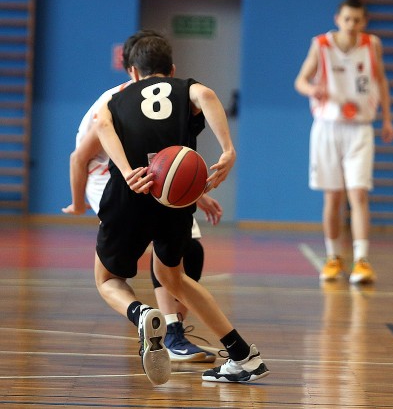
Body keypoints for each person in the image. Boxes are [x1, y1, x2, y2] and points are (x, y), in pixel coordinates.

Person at [93, 32, 269, 384]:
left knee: (108, 279)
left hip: (131, 192)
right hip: (175, 199)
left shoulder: (117, 98)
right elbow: (207, 96)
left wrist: (127, 171)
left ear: (133, 72)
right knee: (174, 277)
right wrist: (228, 149)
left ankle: (141, 313)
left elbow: (101, 124)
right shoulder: (184, 88)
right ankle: (242, 355)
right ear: (172, 69)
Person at [62, 29, 222, 363]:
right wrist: (78, 203)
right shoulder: (115, 103)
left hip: (148, 174)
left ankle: (171, 332)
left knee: (188, 249)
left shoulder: (162, 96)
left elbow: (166, 159)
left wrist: (195, 193)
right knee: (152, 250)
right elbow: (79, 159)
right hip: (109, 177)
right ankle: (164, 327)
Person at [294, 0, 393, 284]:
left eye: (357, 20)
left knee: (359, 194)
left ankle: (362, 260)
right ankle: (333, 258)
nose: (351, 24)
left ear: (364, 22)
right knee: (333, 197)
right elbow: (300, 81)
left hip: (360, 128)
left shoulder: (372, 45)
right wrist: (312, 90)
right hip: (328, 127)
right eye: (347, 19)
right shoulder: (321, 45)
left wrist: (387, 118)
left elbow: (381, 81)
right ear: (338, 19)